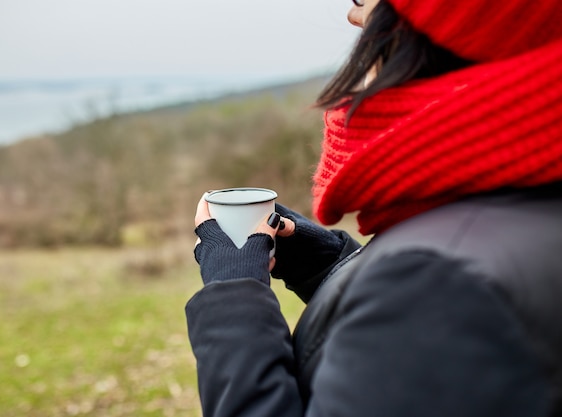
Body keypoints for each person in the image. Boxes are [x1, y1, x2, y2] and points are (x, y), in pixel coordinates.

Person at [186, 0, 562, 415]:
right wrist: (328, 265)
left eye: (365, 4)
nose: (354, 16)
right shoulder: (523, 196)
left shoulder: (437, 282)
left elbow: (434, 296)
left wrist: (233, 292)